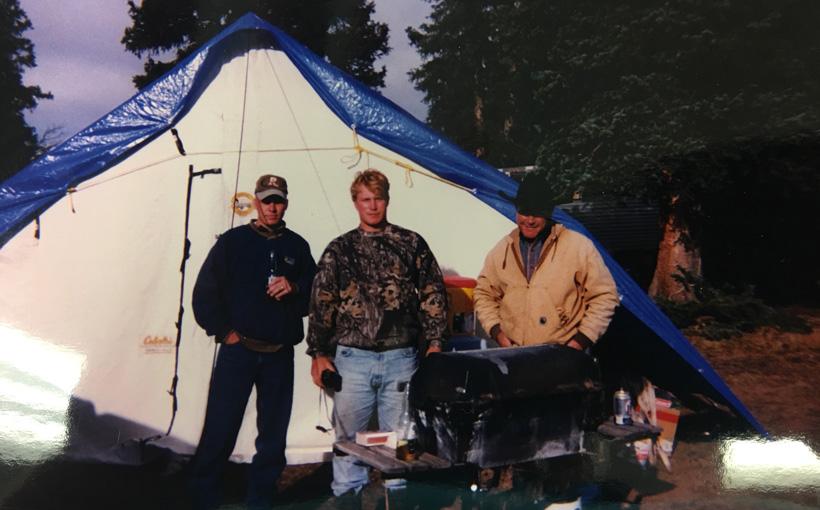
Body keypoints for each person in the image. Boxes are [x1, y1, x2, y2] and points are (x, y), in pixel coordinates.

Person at [307, 169, 447, 498]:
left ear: (387, 200)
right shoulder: (339, 250)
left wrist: (436, 343)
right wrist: (319, 353)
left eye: (378, 198)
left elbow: (433, 294)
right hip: (352, 361)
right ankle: (347, 498)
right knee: (348, 443)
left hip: (401, 359)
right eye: (366, 199)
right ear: (355, 203)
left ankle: (400, 497)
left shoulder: (411, 243)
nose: (372, 206)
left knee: (404, 443)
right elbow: (322, 302)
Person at [189, 174, 316, 510]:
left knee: (273, 435)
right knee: (220, 429)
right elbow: (204, 294)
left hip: (279, 356)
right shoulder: (232, 242)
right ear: (257, 202)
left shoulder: (297, 246)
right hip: (238, 353)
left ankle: (261, 499)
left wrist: (295, 287)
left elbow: (317, 296)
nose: (272, 207)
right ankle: (204, 498)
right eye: (266, 200)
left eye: (278, 201)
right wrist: (224, 333)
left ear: (286, 204)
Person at [474, 173, 619, 351]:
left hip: (563, 355)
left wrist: (580, 341)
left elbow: (605, 296)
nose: (530, 220)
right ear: (516, 211)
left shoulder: (577, 246)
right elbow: (483, 293)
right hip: (515, 355)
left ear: (549, 212)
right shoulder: (502, 249)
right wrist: (497, 332)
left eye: (537, 213)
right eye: (524, 212)